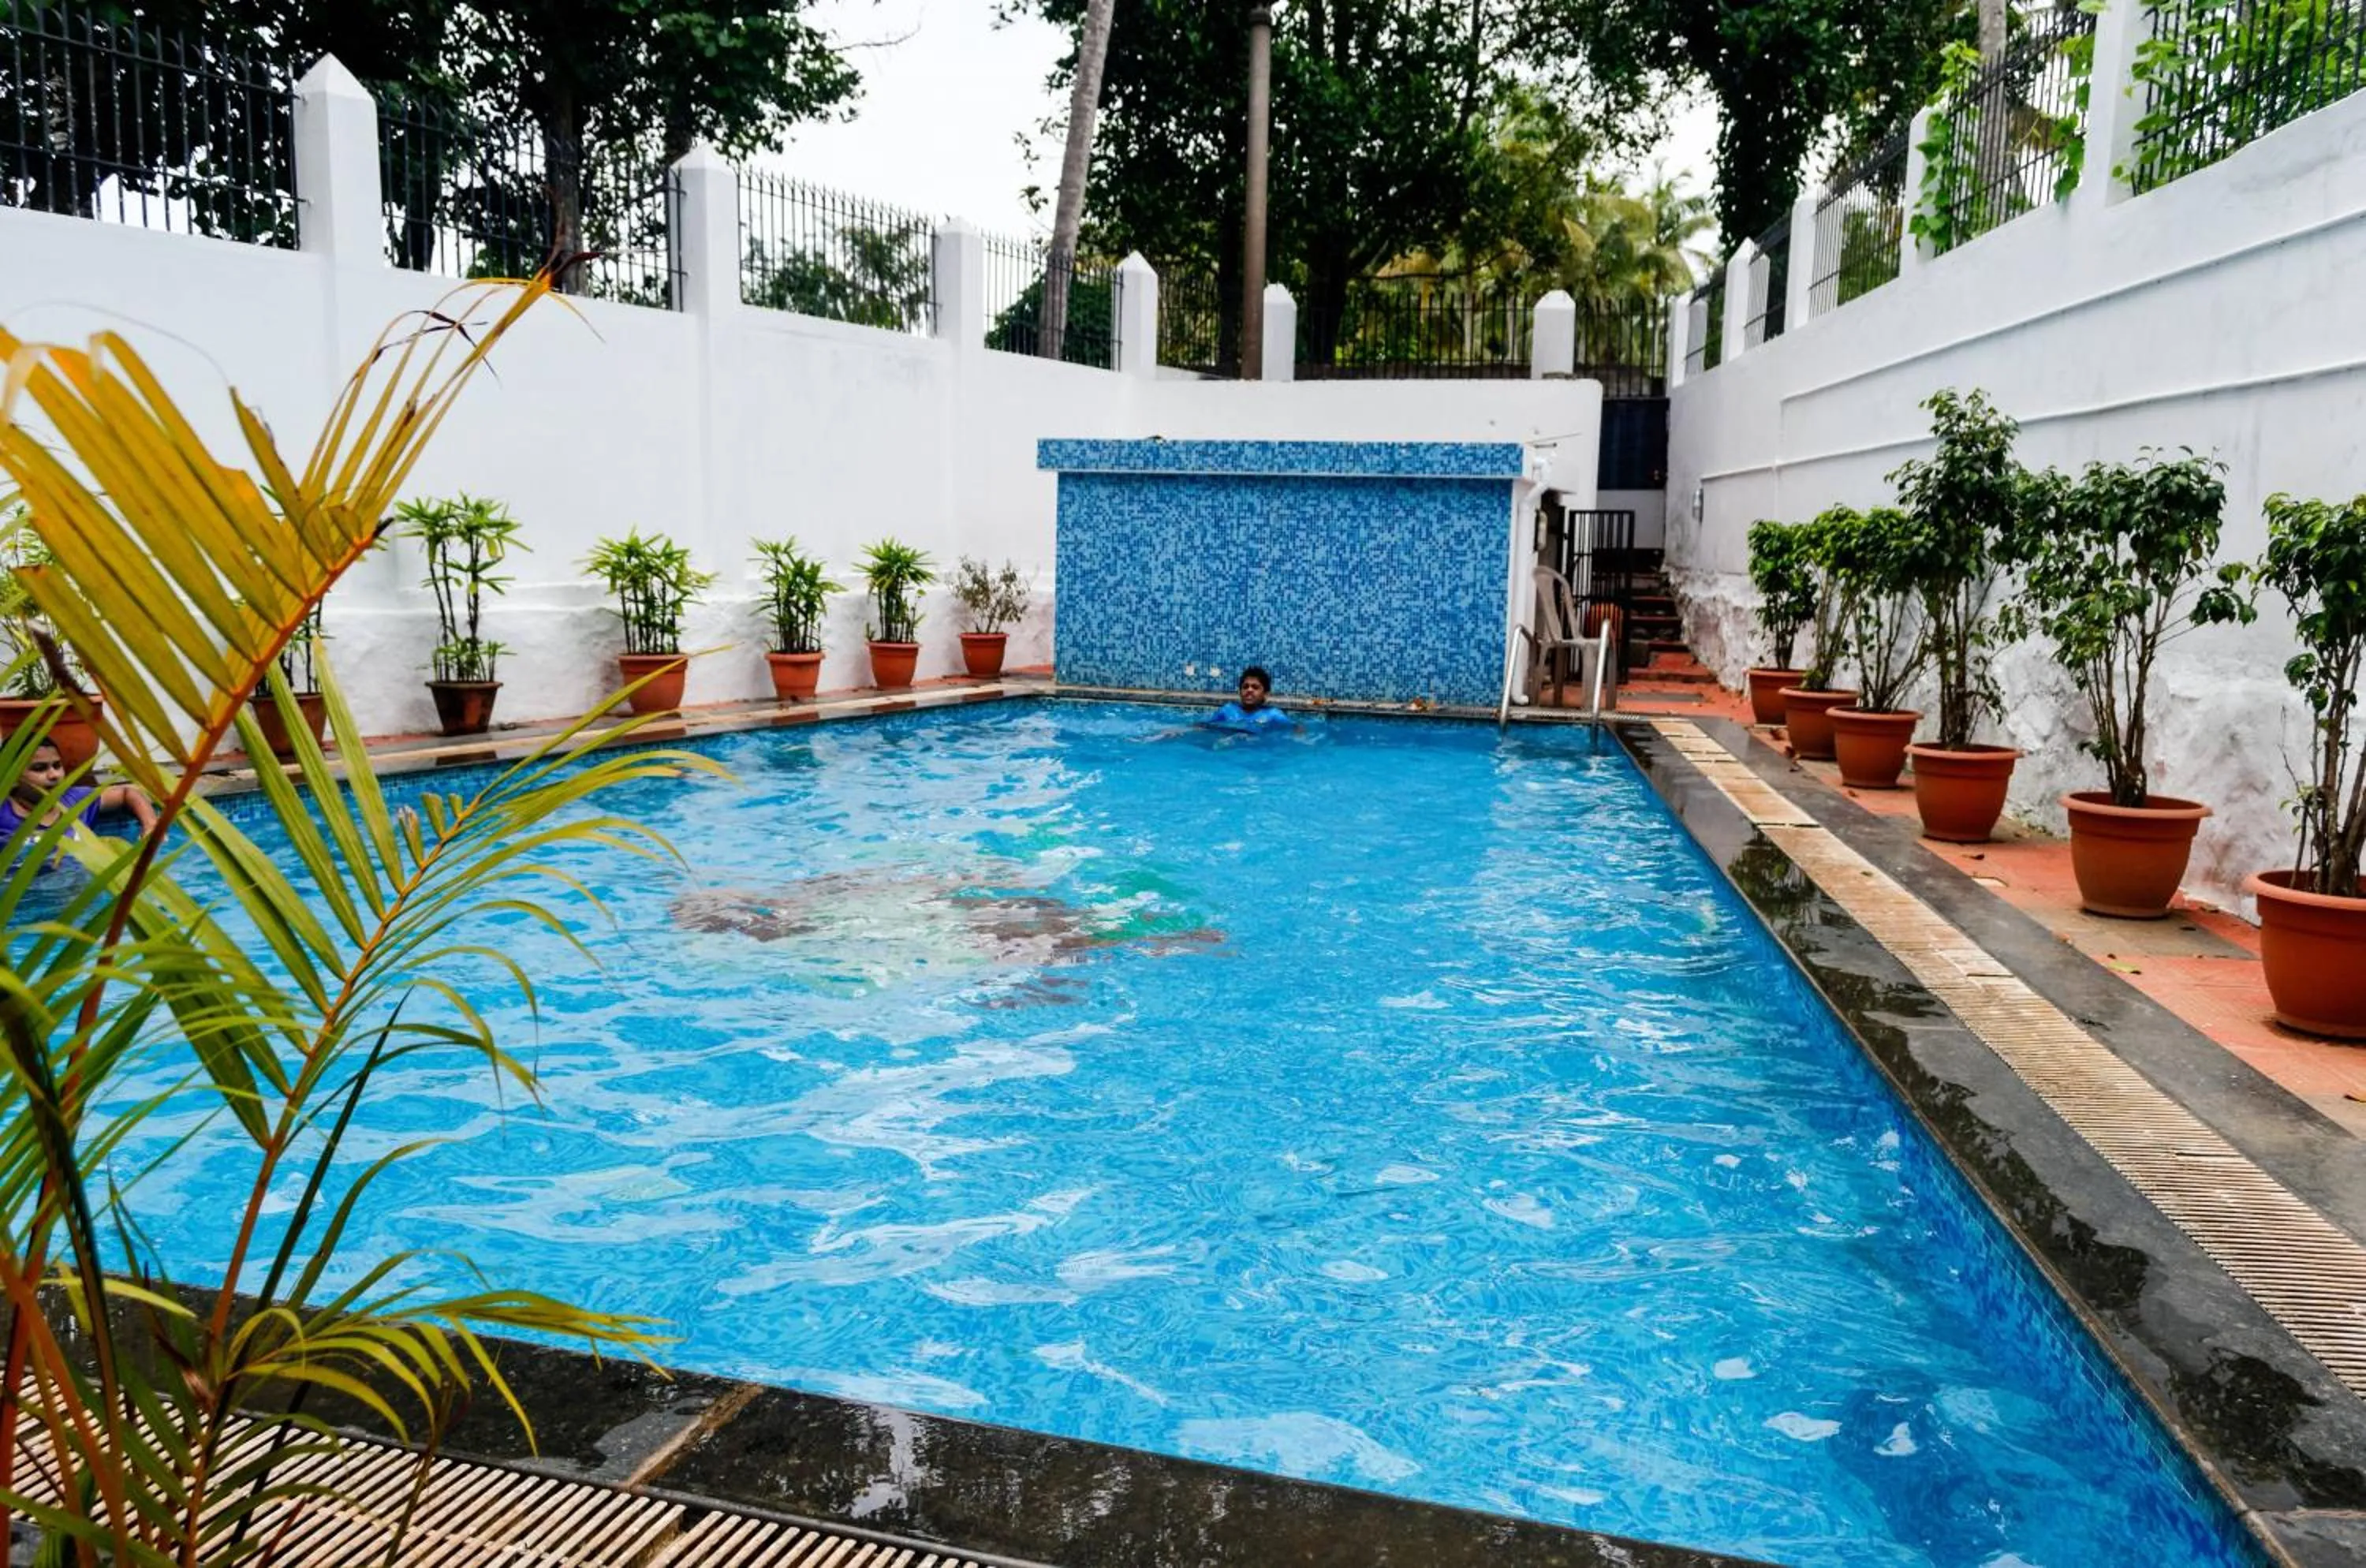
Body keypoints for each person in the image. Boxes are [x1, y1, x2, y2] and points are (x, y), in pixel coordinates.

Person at [0, 739, 159, 861]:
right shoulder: (3, 813)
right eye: (39, 768)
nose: (54, 775)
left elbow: (127, 792)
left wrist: (151, 826)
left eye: (57, 765)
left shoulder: (75, 801)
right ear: (12, 776)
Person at [1204, 666, 1296, 734]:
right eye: (1245, 687)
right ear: (1240, 691)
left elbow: (1296, 728)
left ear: (1266, 694)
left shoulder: (1273, 715)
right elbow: (1205, 726)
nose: (1249, 690)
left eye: (1255, 687)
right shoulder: (1228, 710)